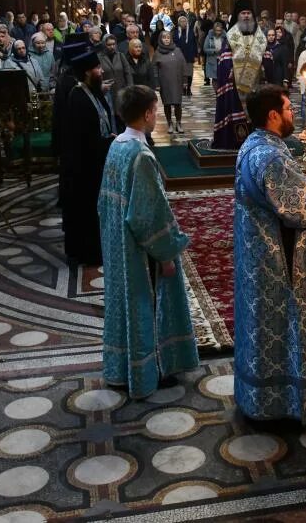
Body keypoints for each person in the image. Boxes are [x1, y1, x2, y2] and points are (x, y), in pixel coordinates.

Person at [233, 85, 306, 424]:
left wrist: (305, 179)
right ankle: (285, 403)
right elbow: (299, 210)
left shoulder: (254, 144)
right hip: (279, 260)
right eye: (287, 108)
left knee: (264, 326)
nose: (292, 113)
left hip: (259, 254)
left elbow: (278, 193)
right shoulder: (271, 155)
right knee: (285, 324)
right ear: (272, 116)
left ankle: (260, 399)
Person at [98, 85, 199, 398]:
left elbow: (104, 201)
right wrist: (166, 253)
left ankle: (121, 369)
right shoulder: (141, 156)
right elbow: (147, 216)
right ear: (146, 113)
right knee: (147, 304)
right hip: (138, 251)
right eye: (156, 110)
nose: (157, 116)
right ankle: (148, 370)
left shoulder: (117, 145)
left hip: (117, 241)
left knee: (123, 304)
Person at [60, 49, 116, 266]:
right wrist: (107, 141)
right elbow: (82, 139)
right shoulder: (78, 98)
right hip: (83, 169)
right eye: (97, 68)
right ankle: (88, 254)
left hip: (94, 163)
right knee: (87, 213)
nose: (101, 71)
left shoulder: (90, 92)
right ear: (86, 73)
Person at [213, 0, 267, 149]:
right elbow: (224, 60)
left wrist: (263, 67)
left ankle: (257, 144)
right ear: (237, 16)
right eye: (243, 13)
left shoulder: (260, 36)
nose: (246, 16)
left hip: (256, 85)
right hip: (235, 86)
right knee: (238, 115)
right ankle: (235, 144)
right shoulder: (231, 35)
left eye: (249, 13)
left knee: (256, 113)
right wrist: (231, 70)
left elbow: (266, 56)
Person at [154, 29, 189, 134]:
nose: (166, 39)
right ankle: (169, 123)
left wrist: (185, 80)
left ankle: (179, 123)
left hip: (177, 81)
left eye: (168, 37)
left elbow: (184, 65)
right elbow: (154, 69)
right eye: (164, 38)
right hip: (164, 82)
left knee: (178, 103)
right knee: (167, 104)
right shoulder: (157, 52)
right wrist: (156, 83)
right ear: (160, 39)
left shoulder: (177, 50)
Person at [173, 15, 198, 96]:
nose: (183, 23)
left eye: (185, 21)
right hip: (179, 55)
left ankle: (189, 88)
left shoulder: (190, 31)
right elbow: (173, 44)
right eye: (181, 21)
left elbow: (194, 43)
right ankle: (183, 89)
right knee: (181, 73)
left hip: (189, 55)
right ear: (179, 23)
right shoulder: (176, 32)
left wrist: (195, 55)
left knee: (189, 73)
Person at [202, 20, 225, 87]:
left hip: (222, 60)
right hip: (212, 60)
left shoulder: (225, 36)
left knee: (222, 78)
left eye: (220, 30)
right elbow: (205, 49)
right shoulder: (209, 36)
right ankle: (217, 94)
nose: (218, 32)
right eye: (217, 30)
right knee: (215, 78)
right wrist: (214, 50)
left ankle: (221, 94)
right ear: (214, 30)